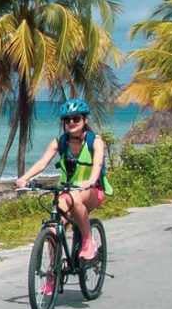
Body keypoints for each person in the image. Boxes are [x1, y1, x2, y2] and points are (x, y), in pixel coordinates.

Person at [15, 98, 112, 262]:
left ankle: (89, 241)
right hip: (68, 191)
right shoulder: (59, 142)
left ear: (85, 120)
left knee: (73, 197)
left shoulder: (95, 141)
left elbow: (97, 164)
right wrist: (24, 178)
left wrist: (90, 180)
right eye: (67, 120)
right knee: (53, 227)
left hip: (93, 190)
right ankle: (53, 273)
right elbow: (42, 162)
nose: (71, 122)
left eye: (76, 118)